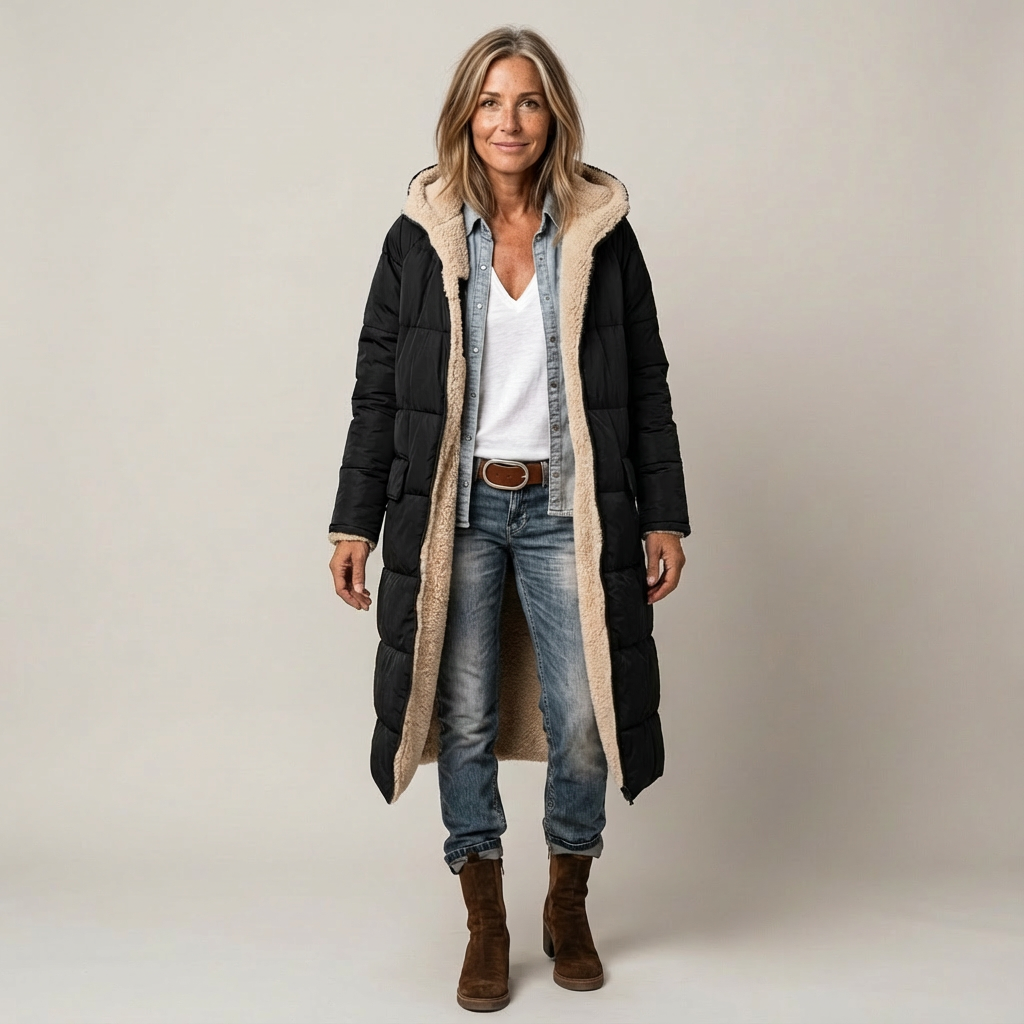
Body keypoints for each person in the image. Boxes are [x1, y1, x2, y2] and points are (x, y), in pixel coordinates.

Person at [328, 25, 690, 1013]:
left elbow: (645, 381)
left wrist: (663, 512)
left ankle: (566, 903)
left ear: (553, 116)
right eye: (491, 102)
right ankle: (484, 921)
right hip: (458, 510)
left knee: (584, 716)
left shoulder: (599, 235)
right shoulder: (421, 237)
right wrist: (354, 522)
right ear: (465, 115)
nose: (509, 121)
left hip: (568, 503)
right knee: (465, 716)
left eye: (527, 101)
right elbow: (378, 390)